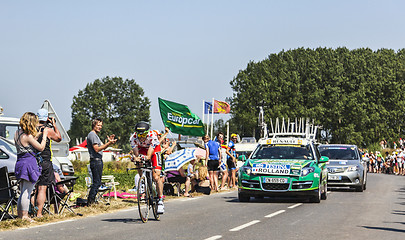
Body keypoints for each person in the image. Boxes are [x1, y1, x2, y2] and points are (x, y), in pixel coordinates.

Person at [14, 112, 48, 222]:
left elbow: (29, 140)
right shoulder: (27, 136)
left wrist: (38, 133)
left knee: (23, 190)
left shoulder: (17, 133)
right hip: (29, 163)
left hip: (20, 162)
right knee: (27, 191)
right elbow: (41, 148)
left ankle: (20, 215)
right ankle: (25, 216)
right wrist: (45, 136)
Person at [130, 122, 165, 214]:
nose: (141, 137)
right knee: (138, 162)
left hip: (154, 150)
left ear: (148, 133)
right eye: (139, 135)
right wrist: (136, 158)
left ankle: (160, 200)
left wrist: (144, 158)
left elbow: (149, 156)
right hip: (142, 149)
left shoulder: (152, 136)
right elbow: (137, 154)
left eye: (144, 134)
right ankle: (143, 181)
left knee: (156, 176)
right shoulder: (133, 138)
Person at [34, 108, 62, 218]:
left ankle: (31, 211)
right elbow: (59, 138)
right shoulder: (47, 130)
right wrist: (54, 125)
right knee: (42, 188)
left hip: (33, 160)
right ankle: (39, 213)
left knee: (33, 188)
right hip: (45, 160)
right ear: (46, 118)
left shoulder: (33, 129)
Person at [87, 118, 117, 205]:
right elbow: (97, 149)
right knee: (96, 183)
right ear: (94, 125)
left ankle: (92, 201)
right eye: (98, 125)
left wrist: (108, 142)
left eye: (101, 125)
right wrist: (109, 144)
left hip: (97, 160)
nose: (100, 127)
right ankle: (90, 202)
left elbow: (101, 148)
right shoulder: (92, 135)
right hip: (96, 161)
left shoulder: (95, 135)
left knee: (97, 182)